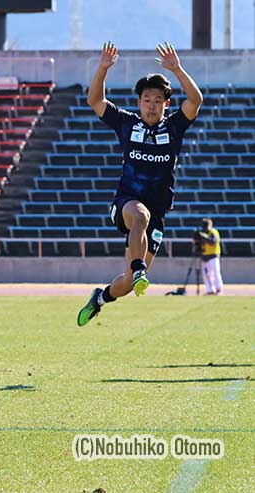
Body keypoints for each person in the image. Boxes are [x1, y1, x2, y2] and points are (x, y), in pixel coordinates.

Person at [77, 41, 203, 326]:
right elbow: (95, 101)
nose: (151, 105)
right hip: (126, 204)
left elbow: (195, 101)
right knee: (140, 216)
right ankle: (139, 269)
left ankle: (99, 297)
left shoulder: (173, 127)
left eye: (158, 100)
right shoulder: (127, 124)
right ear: (139, 102)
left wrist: (177, 69)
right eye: (147, 99)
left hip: (157, 213)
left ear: (166, 104)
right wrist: (102, 69)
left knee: (125, 285)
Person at [196, 217, 224, 295]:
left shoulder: (213, 232)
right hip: (204, 256)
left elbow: (213, 242)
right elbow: (197, 243)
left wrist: (205, 237)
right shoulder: (201, 233)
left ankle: (219, 289)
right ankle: (210, 290)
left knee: (215, 273)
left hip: (213, 256)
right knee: (206, 275)